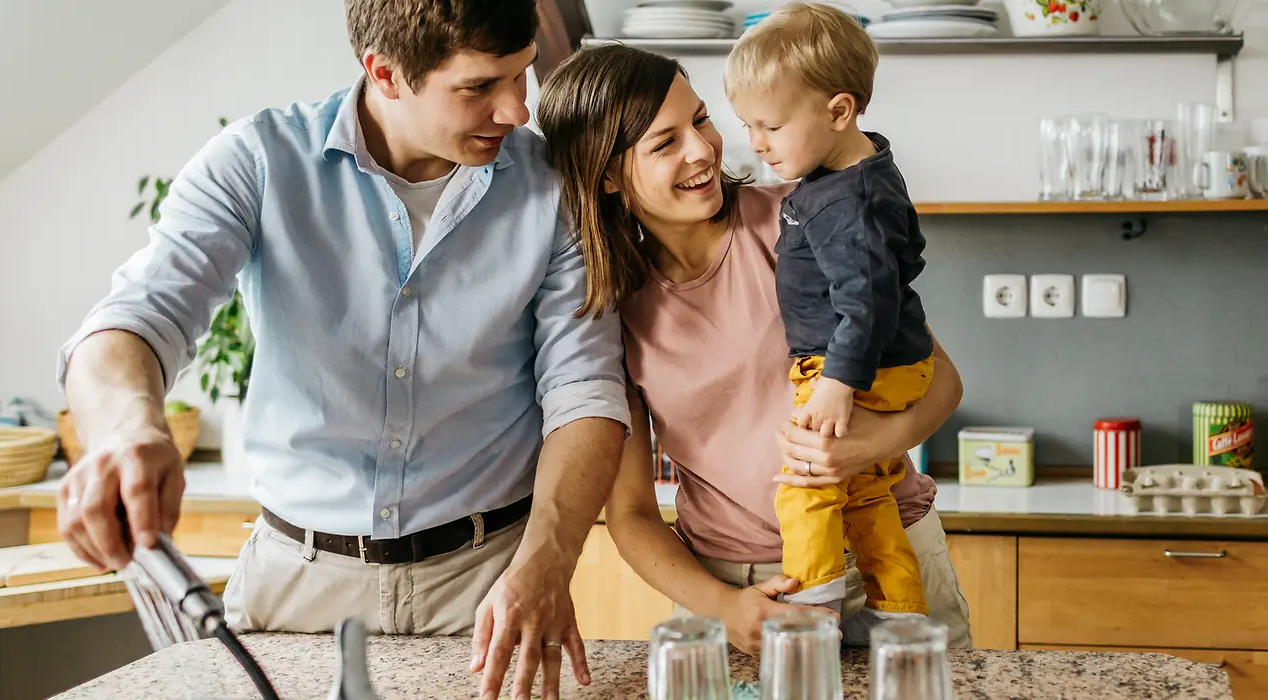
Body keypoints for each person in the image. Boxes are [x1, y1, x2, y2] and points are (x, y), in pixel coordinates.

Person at [54, 2, 626, 698]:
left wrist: (548, 561)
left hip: (492, 583)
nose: (516, 109)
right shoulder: (260, 161)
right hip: (292, 586)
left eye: (522, 74)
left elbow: (585, 391)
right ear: (384, 73)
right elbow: (138, 317)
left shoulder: (554, 186)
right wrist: (127, 429)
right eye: (480, 87)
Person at [536, 44, 973, 652]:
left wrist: (873, 444)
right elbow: (632, 513)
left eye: (701, 119)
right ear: (607, 174)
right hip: (734, 594)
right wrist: (725, 607)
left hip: (881, 564)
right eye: (664, 144)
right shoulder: (608, 306)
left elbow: (942, 380)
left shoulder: (801, 225)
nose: (701, 150)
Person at [724, 3, 934, 626]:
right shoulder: (854, 172)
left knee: (806, 488)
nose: (757, 143)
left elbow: (868, 298)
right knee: (867, 493)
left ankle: (813, 604)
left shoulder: (845, 202)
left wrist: (839, 383)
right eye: (748, 125)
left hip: (852, 371)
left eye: (771, 126)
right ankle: (897, 610)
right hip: (885, 365)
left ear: (839, 111)